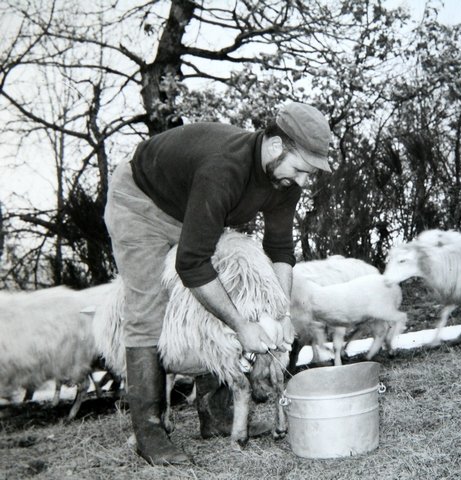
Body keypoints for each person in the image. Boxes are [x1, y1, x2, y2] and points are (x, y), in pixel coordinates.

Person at [104, 102, 332, 466]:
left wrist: (281, 312)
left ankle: (216, 414)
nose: (304, 181)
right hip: (140, 204)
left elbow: (280, 248)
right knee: (147, 308)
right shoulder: (223, 170)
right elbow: (191, 264)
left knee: (212, 301)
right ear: (275, 146)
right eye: (302, 169)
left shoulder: (284, 179)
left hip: (189, 206)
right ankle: (149, 434)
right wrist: (242, 326)